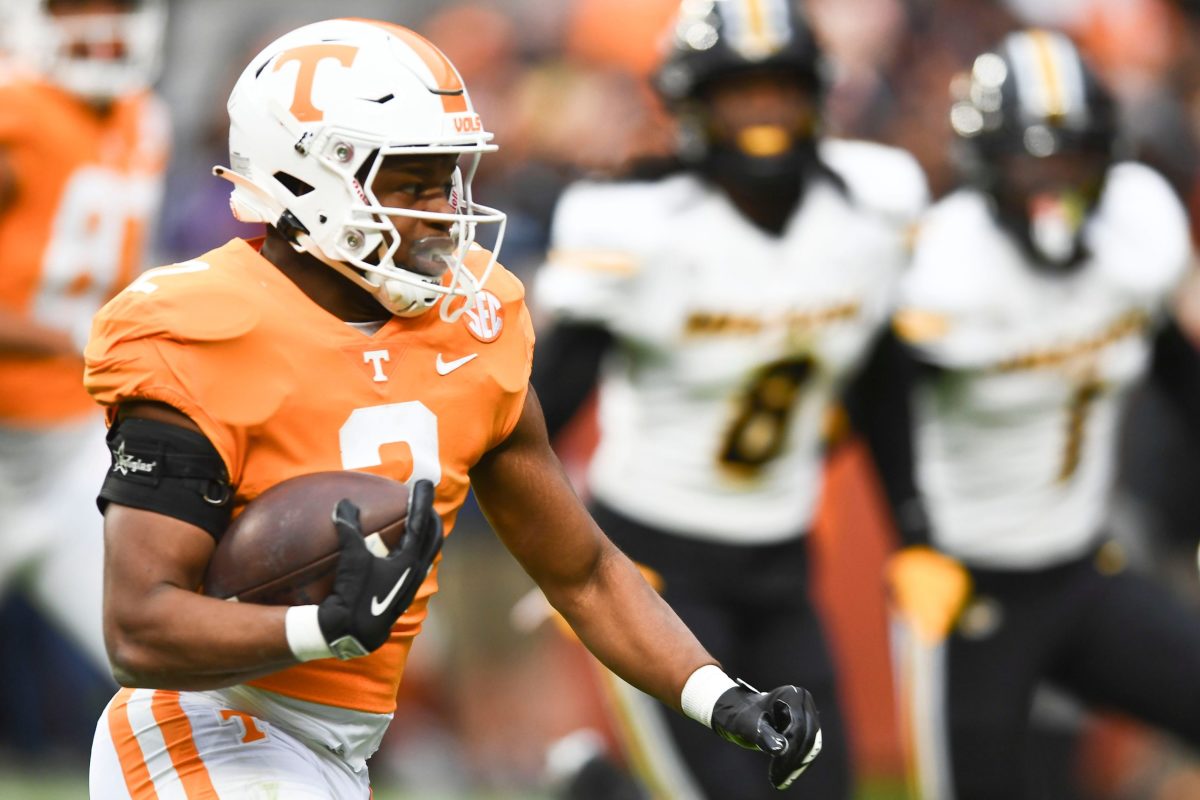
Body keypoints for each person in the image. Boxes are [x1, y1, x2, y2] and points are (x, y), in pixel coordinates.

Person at [82, 19, 824, 798]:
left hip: (336, 751)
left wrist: (721, 695)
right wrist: (319, 628)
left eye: (451, 179)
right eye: (412, 183)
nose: (446, 212)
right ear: (309, 178)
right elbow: (139, 627)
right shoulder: (199, 330)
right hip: (204, 729)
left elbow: (586, 572)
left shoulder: (474, 325)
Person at [531, 1, 928, 798]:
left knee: (823, 785)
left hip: (782, 557)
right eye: (740, 94)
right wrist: (556, 548)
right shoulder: (639, 222)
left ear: (817, 94)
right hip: (654, 560)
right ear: (692, 106)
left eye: (779, 90)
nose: (763, 116)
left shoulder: (870, 210)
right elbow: (545, 406)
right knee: (719, 790)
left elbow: (881, 383)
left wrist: (915, 528)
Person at [887, 28, 1200, 800]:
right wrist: (913, 532)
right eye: (1032, 163)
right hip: (969, 584)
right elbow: (873, 398)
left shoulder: (1136, 227)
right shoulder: (945, 265)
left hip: (1083, 568)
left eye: (1072, 160)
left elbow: (1168, 363)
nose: (1053, 188)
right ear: (986, 165)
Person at [0, 0, 168, 669]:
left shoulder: (145, 116)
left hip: (73, 444)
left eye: (116, 5)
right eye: (77, 6)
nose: (101, 24)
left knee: (163, 660)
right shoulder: (14, 114)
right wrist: (73, 334)